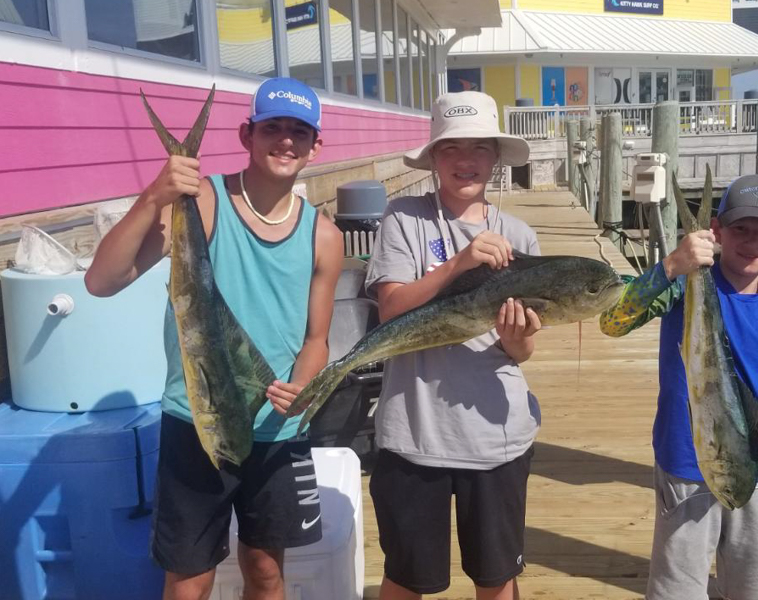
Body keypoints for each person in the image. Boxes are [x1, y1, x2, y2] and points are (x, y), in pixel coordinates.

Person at [85, 77, 343, 600]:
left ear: (317, 146)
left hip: (275, 428)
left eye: (300, 131)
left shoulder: (324, 235)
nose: (286, 140)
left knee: (267, 570)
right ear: (247, 134)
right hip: (197, 420)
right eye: (273, 127)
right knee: (189, 579)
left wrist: (302, 386)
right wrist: (155, 194)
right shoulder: (202, 201)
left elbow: (317, 340)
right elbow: (102, 281)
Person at [363, 91, 540, 600]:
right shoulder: (404, 219)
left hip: (497, 436)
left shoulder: (520, 236)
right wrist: (459, 263)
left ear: (496, 157)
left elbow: (524, 351)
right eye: (451, 148)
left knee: (497, 578)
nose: (466, 160)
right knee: (405, 578)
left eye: (481, 148)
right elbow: (391, 309)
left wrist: (517, 339)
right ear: (435, 158)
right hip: (413, 434)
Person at [599, 174, 758, 600]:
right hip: (687, 469)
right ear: (717, 230)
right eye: (740, 230)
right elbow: (613, 321)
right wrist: (670, 265)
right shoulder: (679, 286)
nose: (751, 242)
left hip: (756, 471)